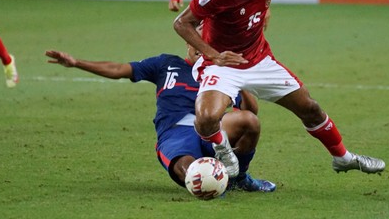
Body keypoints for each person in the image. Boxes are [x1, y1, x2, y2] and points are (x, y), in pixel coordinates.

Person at [173, 0, 385, 178]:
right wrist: (213, 54)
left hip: (259, 59)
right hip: (223, 63)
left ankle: (343, 158)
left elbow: (259, 1)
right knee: (206, 118)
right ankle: (223, 150)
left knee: (311, 108)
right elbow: (181, 23)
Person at [45, 40, 276, 197]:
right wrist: (76, 63)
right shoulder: (166, 64)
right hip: (175, 134)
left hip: (213, 133)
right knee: (191, 174)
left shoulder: (222, 75)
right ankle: (211, 182)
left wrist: (239, 77)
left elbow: (251, 111)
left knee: (250, 122)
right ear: (188, 41)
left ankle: (240, 178)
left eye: (207, 42)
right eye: (196, 40)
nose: (200, 47)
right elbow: (118, 69)